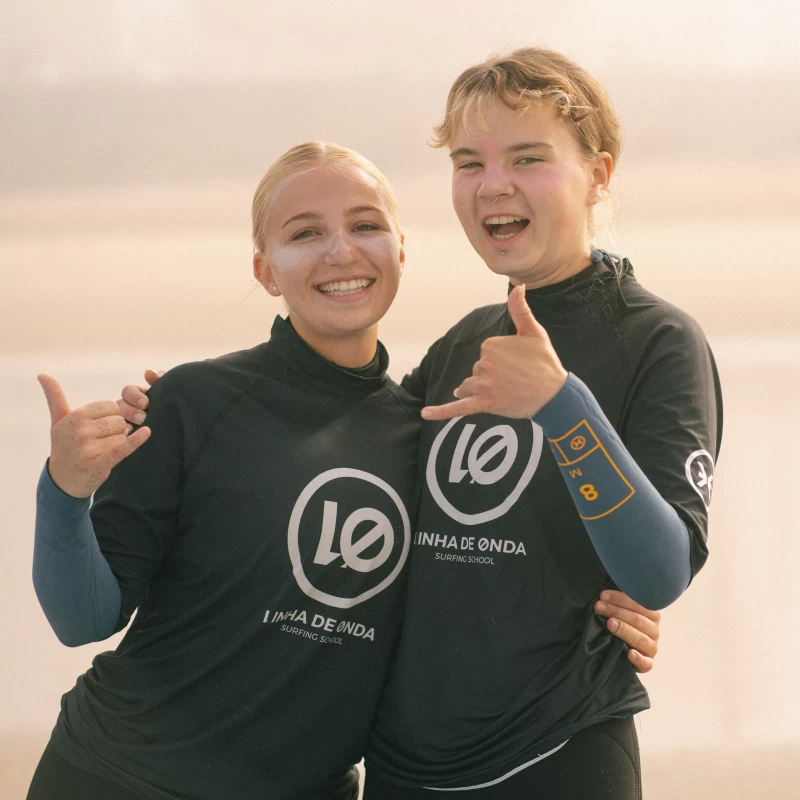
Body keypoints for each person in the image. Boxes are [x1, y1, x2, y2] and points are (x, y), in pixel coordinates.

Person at [29, 142, 423, 800]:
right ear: (265, 270)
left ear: (401, 248)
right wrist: (64, 491)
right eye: (305, 233)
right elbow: (83, 618)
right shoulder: (191, 402)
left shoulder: (427, 438)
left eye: (365, 224)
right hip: (117, 777)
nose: (340, 250)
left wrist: (618, 611)